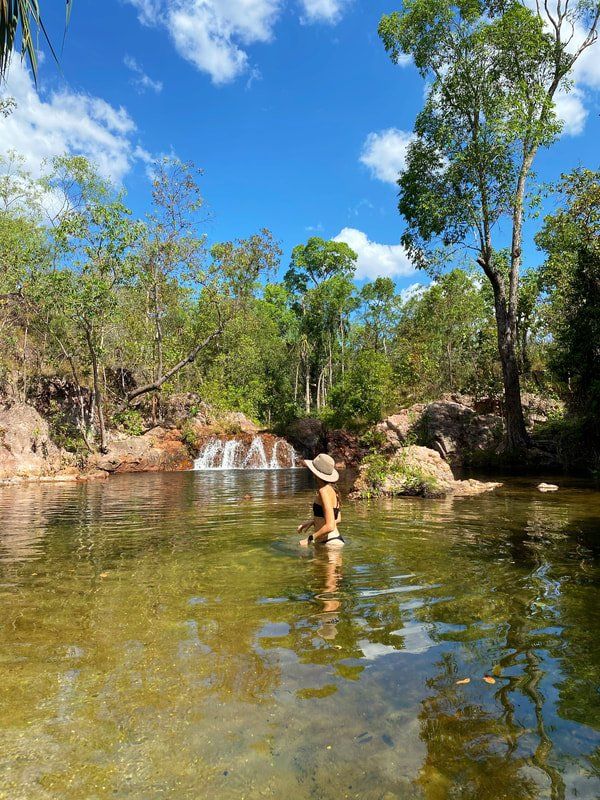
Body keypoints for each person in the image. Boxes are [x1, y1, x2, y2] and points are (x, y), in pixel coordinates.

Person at [298, 453, 345, 547]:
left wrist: (309, 539)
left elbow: (330, 525)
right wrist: (312, 522)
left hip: (330, 543)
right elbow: (338, 519)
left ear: (315, 472)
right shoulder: (334, 490)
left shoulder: (323, 491)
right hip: (333, 541)